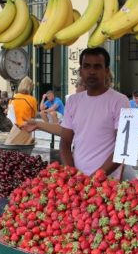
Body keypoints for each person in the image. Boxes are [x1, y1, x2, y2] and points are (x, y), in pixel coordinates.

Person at [22, 47, 130, 178]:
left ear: (106, 71)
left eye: (97, 67)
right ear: (80, 71)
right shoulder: (73, 101)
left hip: (107, 184)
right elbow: (65, 142)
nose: (91, 72)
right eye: (87, 66)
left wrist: (96, 178)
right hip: (77, 183)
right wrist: (71, 173)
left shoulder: (120, 101)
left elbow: (123, 148)